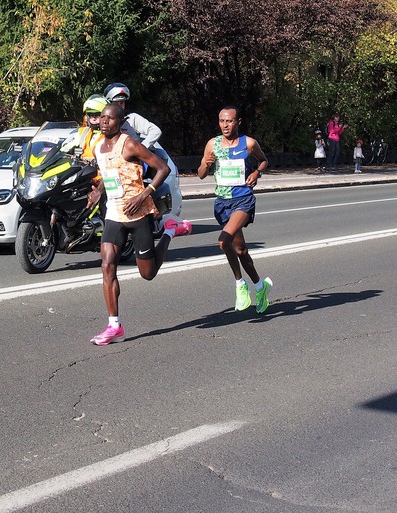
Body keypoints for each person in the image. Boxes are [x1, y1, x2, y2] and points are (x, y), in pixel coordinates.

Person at [86, 103, 192, 346]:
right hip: (114, 212)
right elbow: (108, 173)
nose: (104, 122)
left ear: (119, 123)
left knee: (148, 273)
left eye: (110, 119)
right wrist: (98, 192)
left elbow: (162, 168)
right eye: (102, 118)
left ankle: (169, 231)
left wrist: (144, 195)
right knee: (107, 263)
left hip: (138, 212)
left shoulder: (130, 144)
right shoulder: (98, 147)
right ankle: (115, 325)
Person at [197, 106, 273, 314]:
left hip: (243, 200)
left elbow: (264, 160)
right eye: (222, 121)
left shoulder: (248, 143)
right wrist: (206, 163)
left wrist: (257, 173)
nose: (225, 125)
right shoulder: (212, 144)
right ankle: (260, 286)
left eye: (229, 121)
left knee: (224, 240)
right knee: (240, 250)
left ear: (238, 122)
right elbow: (201, 173)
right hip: (222, 202)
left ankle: (240, 285)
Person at [105, 81, 182, 219]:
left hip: (133, 166)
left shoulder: (132, 119)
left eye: (122, 103)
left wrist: (142, 148)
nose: (120, 106)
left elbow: (155, 131)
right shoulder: (104, 122)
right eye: (116, 103)